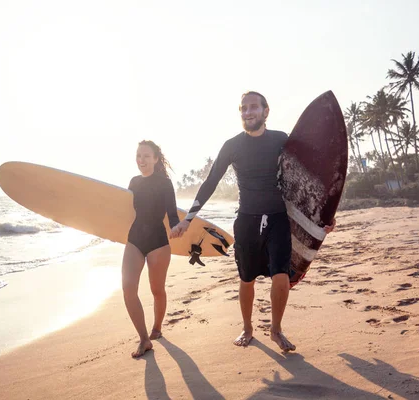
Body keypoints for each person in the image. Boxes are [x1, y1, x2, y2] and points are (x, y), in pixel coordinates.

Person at [170, 91, 335, 352]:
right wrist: (187, 220)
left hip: (278, 219)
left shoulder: (282, 140)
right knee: (246, 279)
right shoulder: (232, 145)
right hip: (246, 221)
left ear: (265, 111)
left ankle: (276, 330)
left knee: (280, 277)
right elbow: (210, 182)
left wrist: (324, 217)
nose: (248, 112)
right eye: (243, 108)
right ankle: (247, 328)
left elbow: (309, 178)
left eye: (253, 107)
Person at [123, 140, 180, 358]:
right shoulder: (134, 182)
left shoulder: (164, 183)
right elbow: (124, 213)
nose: (141, 160)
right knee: (128, 288)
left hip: (158, 241)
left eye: (146, 156)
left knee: (157, 290)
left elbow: (173, 215)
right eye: (138, 155)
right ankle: (144, 338)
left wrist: (177, 228)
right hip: (135, 239)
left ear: (156, 159)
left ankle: (157, 327)